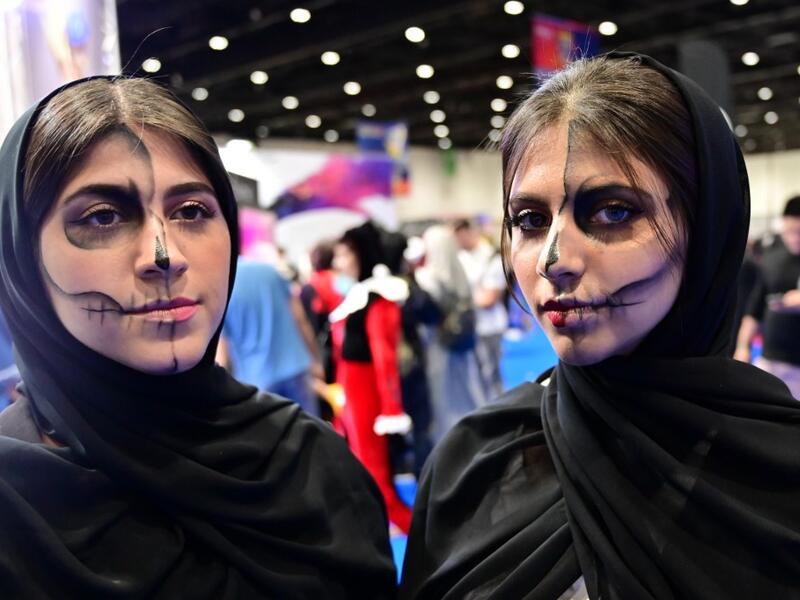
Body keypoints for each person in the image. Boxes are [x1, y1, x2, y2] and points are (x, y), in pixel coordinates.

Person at [400, 53, 800, 599]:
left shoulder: (782, 474)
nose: (552, 259)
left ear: (708, 227)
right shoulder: (475, 460)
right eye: (530, 221)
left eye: (613, 211)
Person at [0, 76, 396, 598]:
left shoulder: (311, 460)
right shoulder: (13, 499)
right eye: (103, 217)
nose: (165, 258)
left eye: (192, 211)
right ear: (22, 258)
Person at [331, 221, 413, 533]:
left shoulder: (378, 299)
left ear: (359, 255)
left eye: (344, 255)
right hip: (352, 391)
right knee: (362, 464)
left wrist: (391, 410)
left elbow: (385, 360)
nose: (338, 263)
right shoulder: (358, 296)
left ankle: (412, 531)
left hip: (368, 395)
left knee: (375, 471)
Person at [219, 257, 322, 416]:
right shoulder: (269, 270)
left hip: (256, 382)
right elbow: (300, 319)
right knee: (315, 434)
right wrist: (315, 359)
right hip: (296, 367)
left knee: (277, 439)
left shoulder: (222, 288)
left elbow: (222, 357)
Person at [415, 225, 486, 443]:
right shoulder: (460, 269)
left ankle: (451, 440)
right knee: (468, 387)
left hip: (440, 345)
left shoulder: (428, 277)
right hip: (463, 342)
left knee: (444, 395)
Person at [736, 196, 800, 398]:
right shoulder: (772, 259)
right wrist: (742, 347)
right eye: (790, 231)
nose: (794, 238)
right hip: (769, 359)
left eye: (799, 232)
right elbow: (754, 309)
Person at [454, 218, 509, 399]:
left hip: (490, 327)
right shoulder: (460, 258)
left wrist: (464, 300)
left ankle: (501, 409)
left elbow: (489, 299)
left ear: (471, 232)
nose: (459, 241)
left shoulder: (491, 256)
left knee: (491, 373)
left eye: (462, 235)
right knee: (476, 375)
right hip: (470, 327)